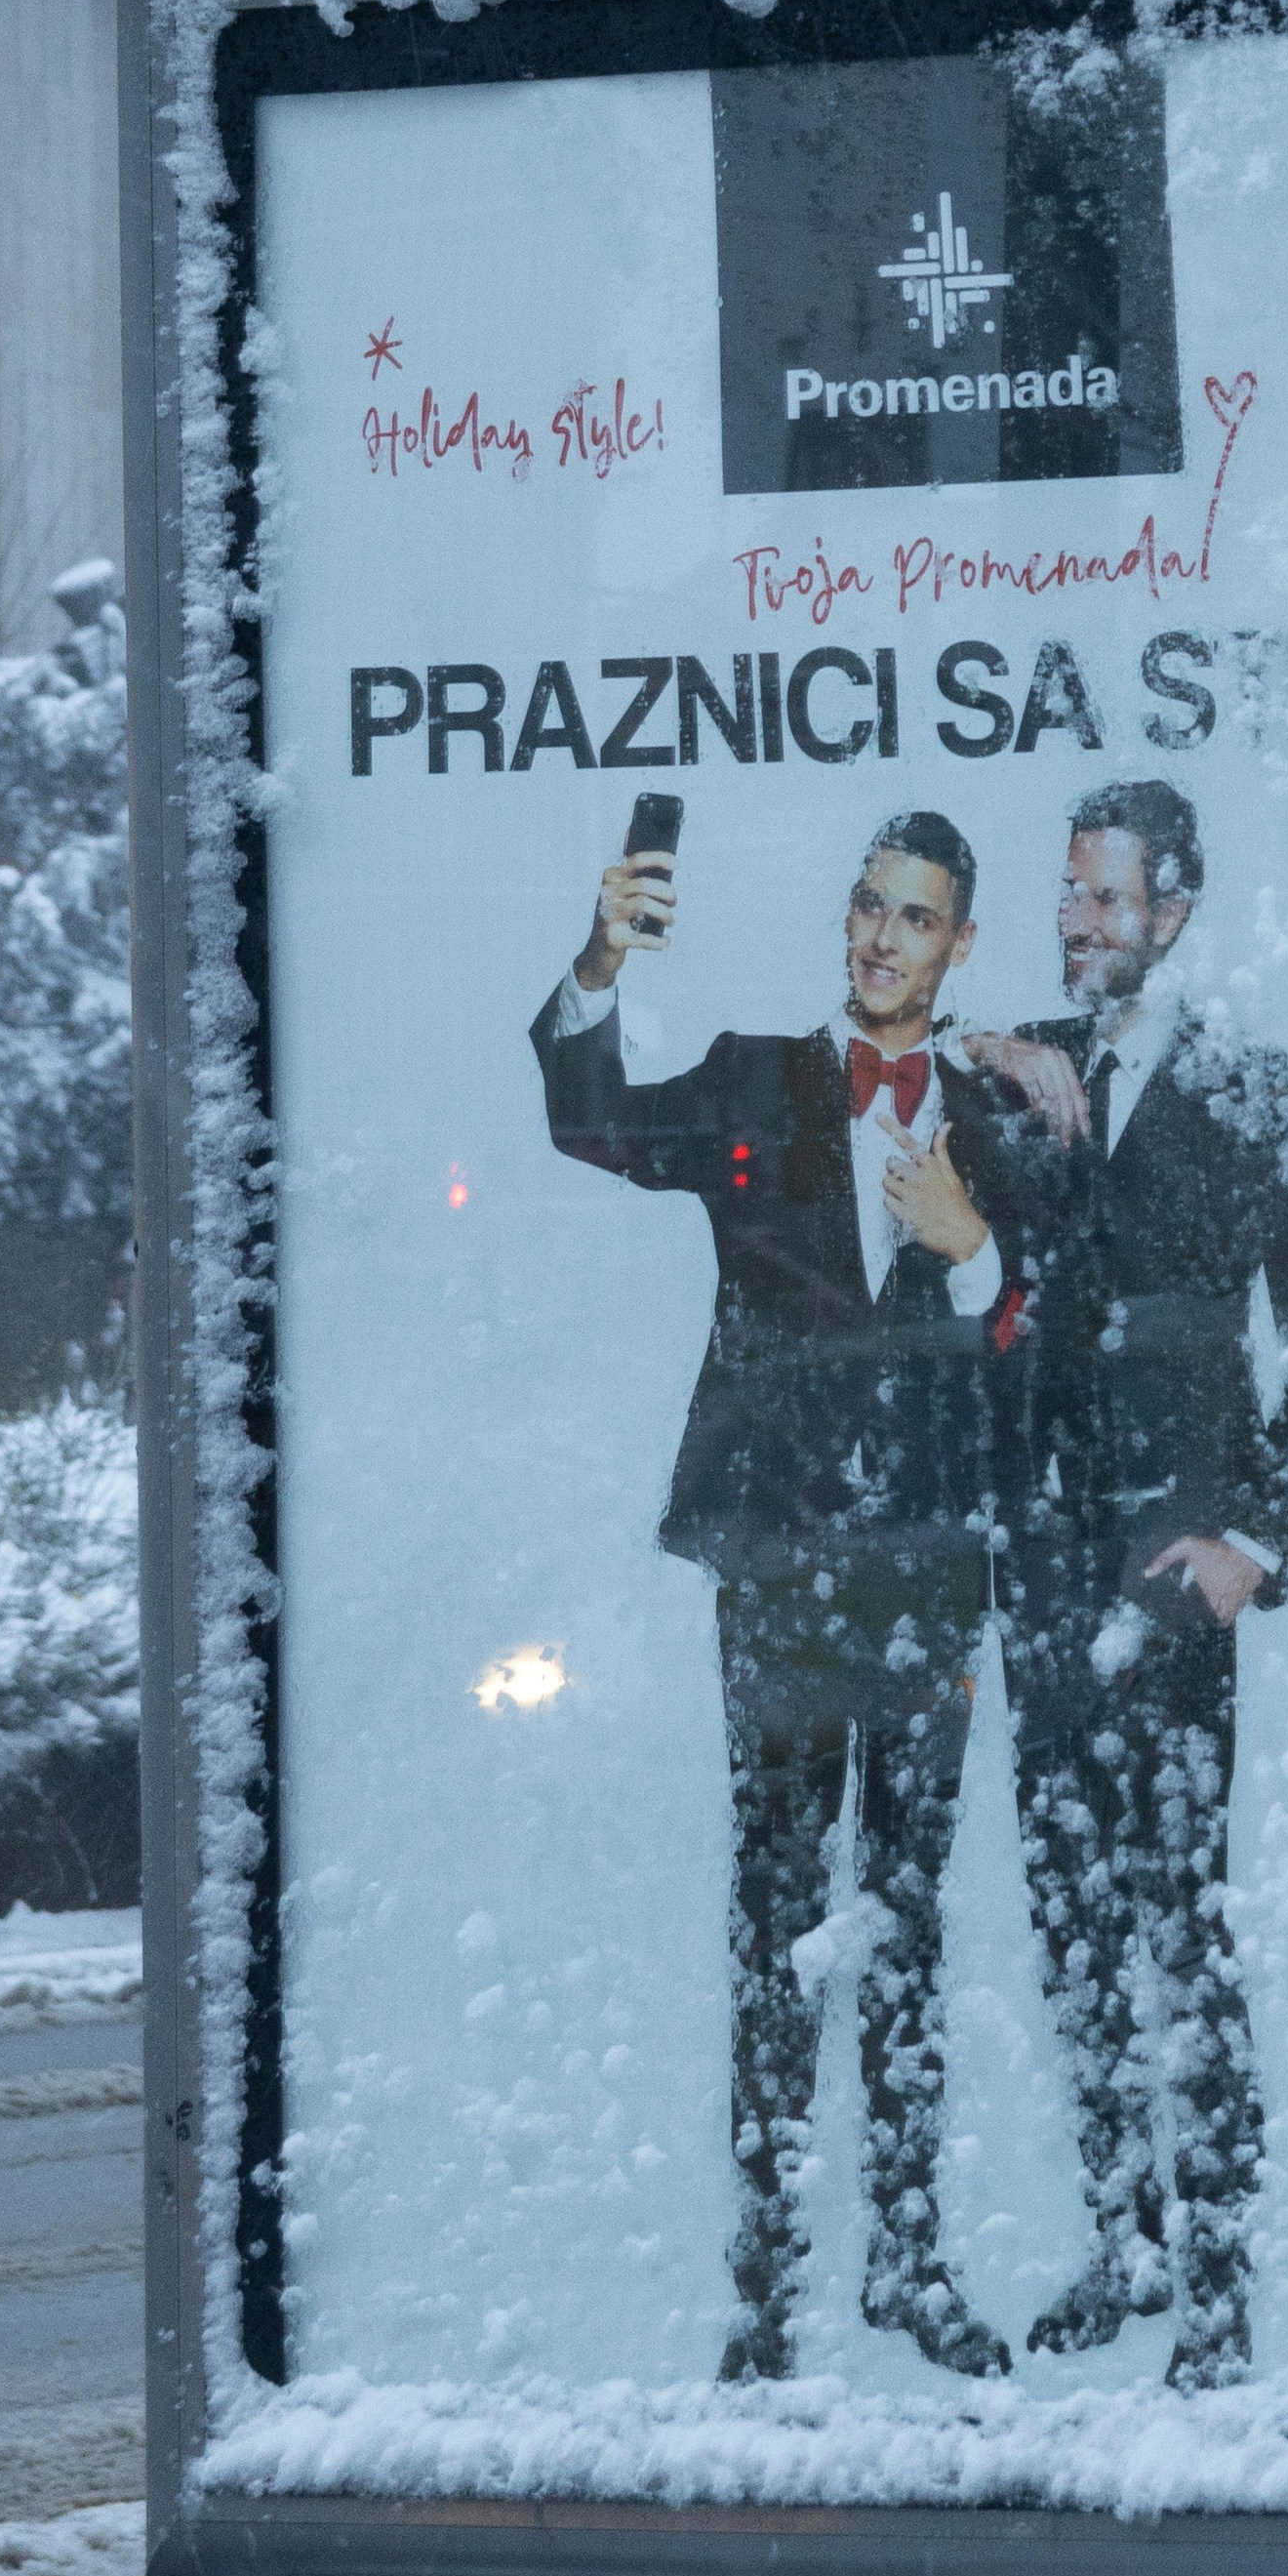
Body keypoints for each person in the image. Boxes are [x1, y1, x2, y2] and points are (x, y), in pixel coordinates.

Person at [535, 809, 1077, 2383]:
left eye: (916, 919)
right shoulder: (753, 1077)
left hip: (925, 1568)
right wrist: (600, 957)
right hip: (774, 1565)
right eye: (865, 909)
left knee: (902, 1917)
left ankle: (907, 2262)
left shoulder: (1004, 1107)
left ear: (960, 942)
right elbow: (588, 1119)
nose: (882, 938)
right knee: (778, 1913)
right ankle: (765, 2290)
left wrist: (974, 1255)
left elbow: (1053, 1346)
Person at [992, 777, 1288, 2384]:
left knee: (1178, 1917)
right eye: (1067, 891)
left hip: (1174, 1547)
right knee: (1071, 1912)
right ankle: (1124, 2238)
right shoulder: (1018, 1073)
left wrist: (1260, 1539)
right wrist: (1002, 1101)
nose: (1077, 918)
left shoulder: (1241, 1084)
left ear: (1178, 907)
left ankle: (1215, 2273)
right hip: (1045, 1549)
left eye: (1105, 894)